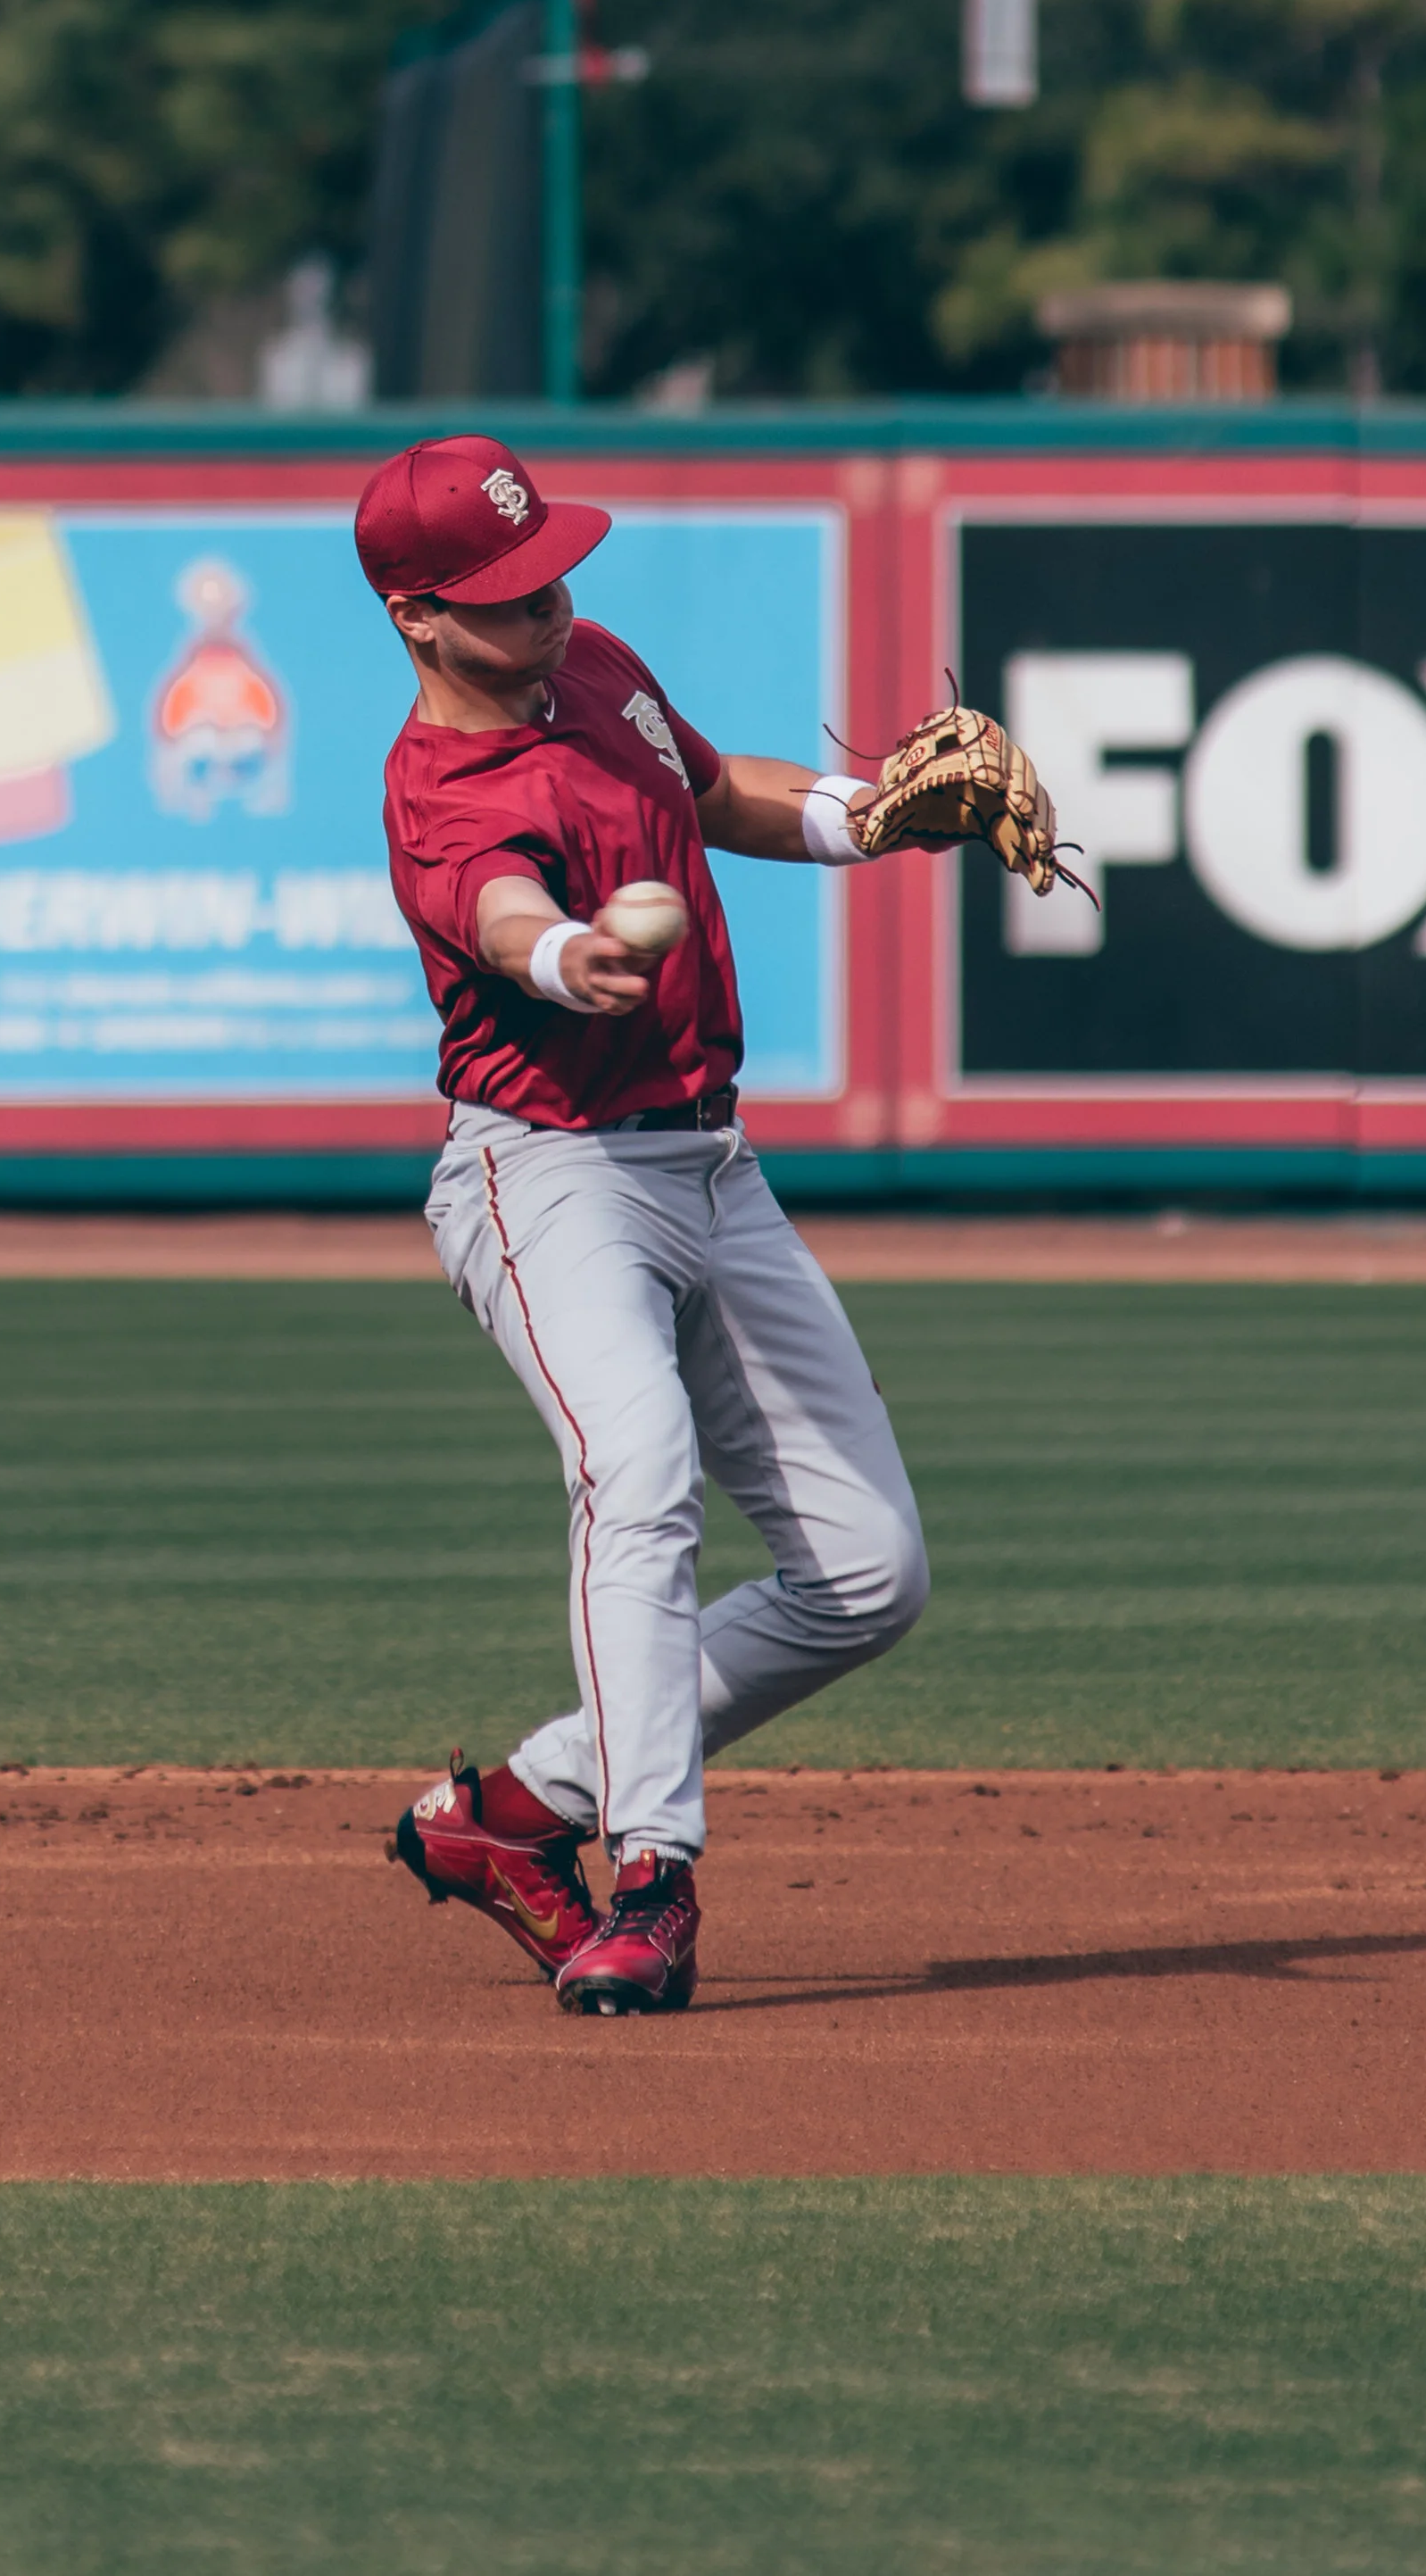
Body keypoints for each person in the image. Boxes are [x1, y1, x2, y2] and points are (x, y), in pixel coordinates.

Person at [361, 429, 935, 2018]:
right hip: (548, 1177)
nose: (547, 603)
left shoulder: (594, 665)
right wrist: (565, 964)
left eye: (549, 567)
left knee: (872, 1574)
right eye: (504, 594)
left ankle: (516, 1810)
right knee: (641, 1468)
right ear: (419, 615)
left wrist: (874, 813)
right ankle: (651, 1884)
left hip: (709, 1163)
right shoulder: (439, 790)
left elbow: (719, 784)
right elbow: (503, 916)